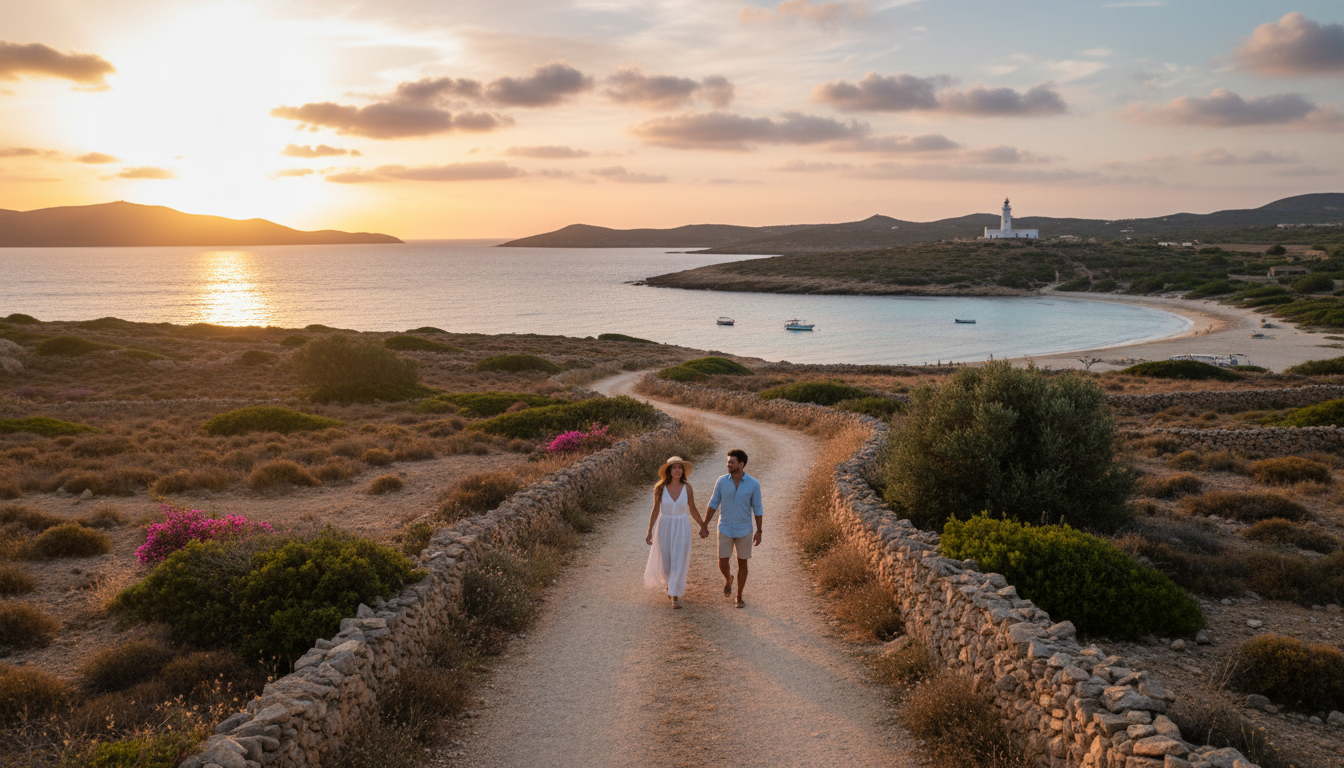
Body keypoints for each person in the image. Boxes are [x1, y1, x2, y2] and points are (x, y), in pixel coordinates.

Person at [643, 456, 707, 609]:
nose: (677, 470)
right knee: (666, 562)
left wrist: (703, 526)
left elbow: (692, 508)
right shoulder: (660, 488)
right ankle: (669, 586)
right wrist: (649, 531)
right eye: (674, 467)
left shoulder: (687, 487)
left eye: (679, 467)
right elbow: (655, 509)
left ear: (682, 471)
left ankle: (674, 597)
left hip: (682, 526)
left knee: (679, 560)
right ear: (669, 471)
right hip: (664, 526)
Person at [702, 449, 762, 608]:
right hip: (725, 528)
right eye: (728, 461)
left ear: (741, 464)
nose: (728, 464)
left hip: (745, 530)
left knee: (743, 564)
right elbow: (713, 503)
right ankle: (728, 578)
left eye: (731, 462)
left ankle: (739, 596)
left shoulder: (753, 484)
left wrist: (759, 531)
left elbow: (758, 509)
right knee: (722, 561)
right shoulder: (721, 481)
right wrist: (704, 524)